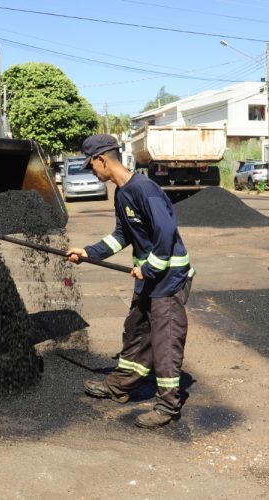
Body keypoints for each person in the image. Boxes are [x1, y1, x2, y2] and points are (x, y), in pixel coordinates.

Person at [66, 134, 194, 429]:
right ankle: (120, 387)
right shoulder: (122, 193)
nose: (93, 172)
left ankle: (167, 406)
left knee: (165, 340)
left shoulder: (144, 189)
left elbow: (166, 231)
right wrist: (88, 252)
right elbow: (122, 235)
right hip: (149, 279)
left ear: (103, 159)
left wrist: (149, 268)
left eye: (91, 166)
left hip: (169, 278)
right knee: (136, 331)